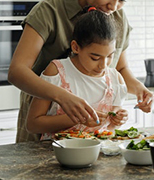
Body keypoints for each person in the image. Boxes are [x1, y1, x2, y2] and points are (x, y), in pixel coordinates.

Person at [8, 0, 154, 142]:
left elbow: (120, 68)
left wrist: (139, 89)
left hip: (93, 136)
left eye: (122, 0)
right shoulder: (50, 10)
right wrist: (62, 97)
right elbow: (17, 71)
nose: (114, 6)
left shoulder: (117, 17)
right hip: (44, 127)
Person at [27, 9, 128, 140]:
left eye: (110, 56)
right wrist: (76, 119)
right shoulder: (57, 72)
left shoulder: (115, 79)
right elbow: (33, 124)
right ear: (75, 47)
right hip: (56, 154)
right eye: (95, 58)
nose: (104, 65)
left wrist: (119, 118)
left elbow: (111, 127)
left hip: (99, 154)